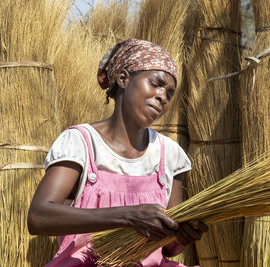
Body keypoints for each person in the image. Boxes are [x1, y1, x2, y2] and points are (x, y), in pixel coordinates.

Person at [27, 39, 208, 267]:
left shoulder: (169, 154)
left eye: (169, 94)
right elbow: (38, 217)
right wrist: (129, 216)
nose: (163, 97)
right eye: (156, 83)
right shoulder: (82, 142)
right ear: (123, 78)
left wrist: (183, 236)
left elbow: (169, 249)